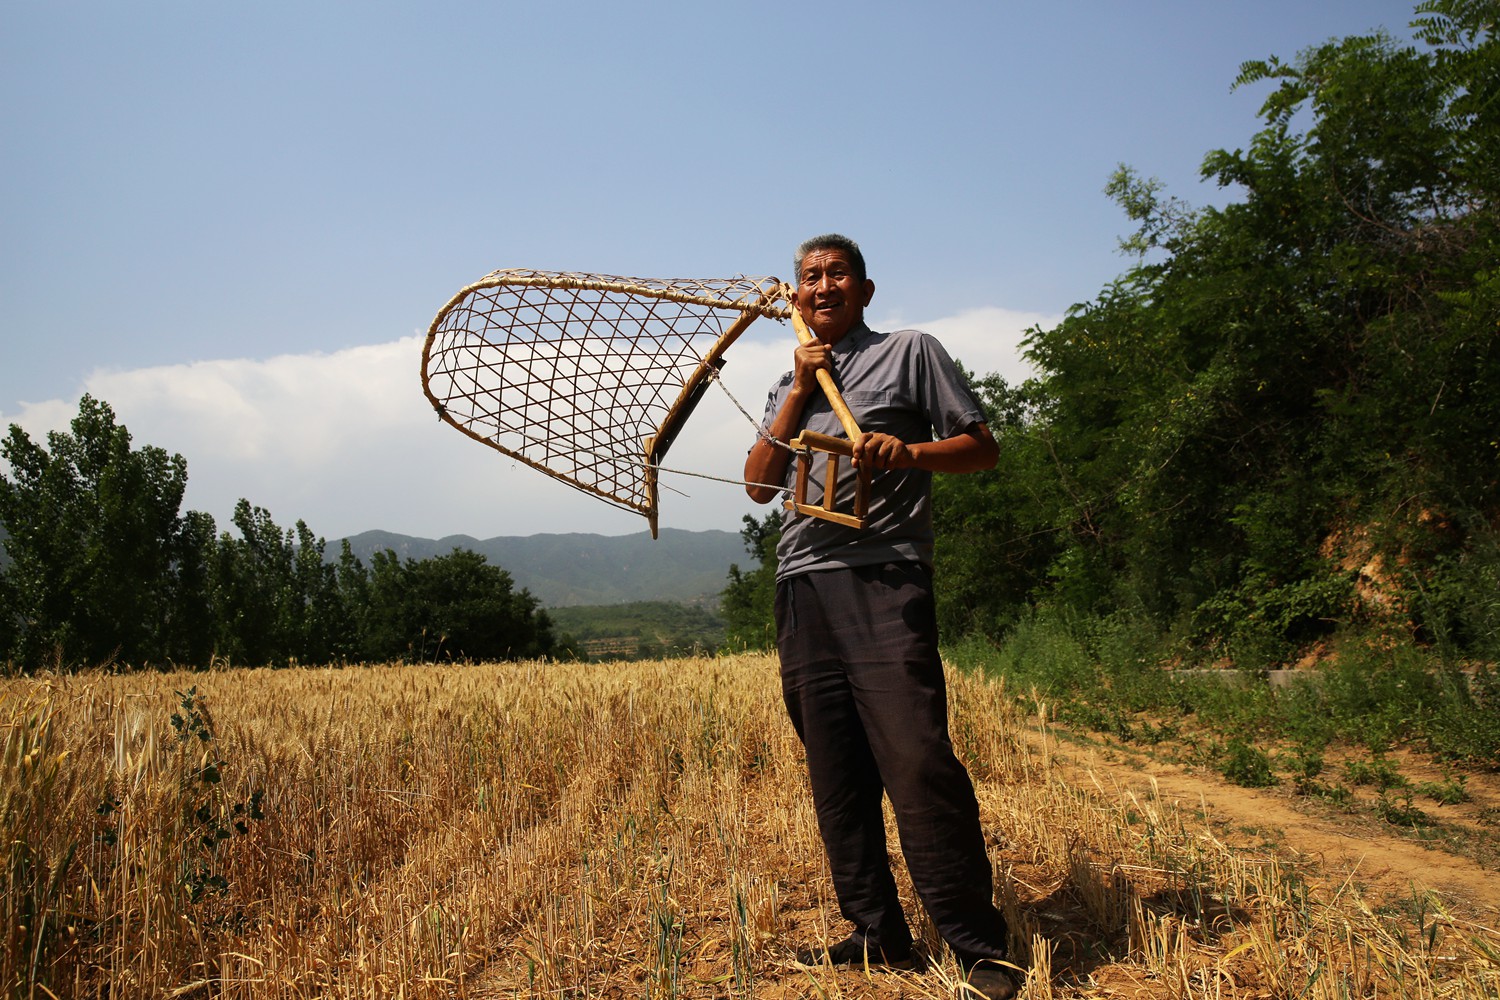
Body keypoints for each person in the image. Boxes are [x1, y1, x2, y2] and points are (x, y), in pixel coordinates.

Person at [744, 234, 1018, 1000]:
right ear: (796, 298)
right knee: (836, 773)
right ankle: (876, 932)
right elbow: (758, 485)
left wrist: (911, 455)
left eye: (837, 275)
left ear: (864, 291)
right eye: (809, 277)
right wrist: (801, 390)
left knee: (918, 761)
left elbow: (982, 449)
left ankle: (975, 943)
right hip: (802, 586)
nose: (822, 285)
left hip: (885, 579)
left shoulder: (910, 352)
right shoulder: (788, 382)